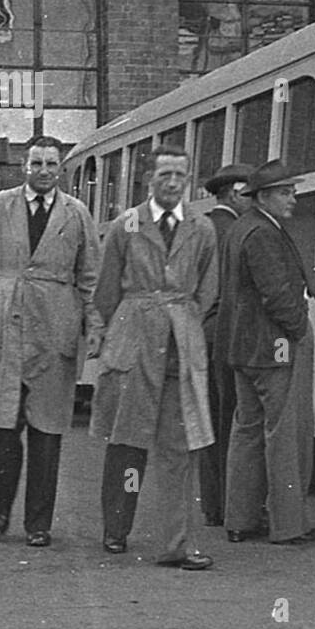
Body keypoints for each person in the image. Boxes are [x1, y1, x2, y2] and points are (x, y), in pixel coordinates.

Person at [0, 135, 102, 547]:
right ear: (24, 166)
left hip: (56, 327)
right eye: (37, 163)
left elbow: (90, 276)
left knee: (47, 431)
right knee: (0, 428)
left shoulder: (77, 214)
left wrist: (94, 325)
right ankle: (1, 505)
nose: (45, 171)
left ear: (60, 170)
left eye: (52, 164)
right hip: (7, 328)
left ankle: (38, 524)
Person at [93, 144, 219, 570]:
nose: (171, 183)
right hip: (135, 344)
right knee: (127, 442)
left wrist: (182, 321)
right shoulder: (125, 226)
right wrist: (128, 328)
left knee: (180, 448)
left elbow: (208, 291)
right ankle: (116, 528)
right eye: (164, 174)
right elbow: (106, 291)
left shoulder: (202, 228)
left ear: (188, 180)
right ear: (149, 179)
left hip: (180, 350)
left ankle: (176, 545)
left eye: (179, 176)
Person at [217, 159, 315, 545]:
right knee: (284, 434)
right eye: (284, 192)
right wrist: (298, 330)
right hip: (275, 345)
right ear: (263, 196)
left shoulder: (241, 228)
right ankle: (288, 525)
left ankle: (240, 521)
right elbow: (277, 294)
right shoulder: (264, 232)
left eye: (292, 190)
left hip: (244, 347)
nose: (292, 198)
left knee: (247, 431)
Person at [197, 162, 253, 526]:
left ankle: (212, 505)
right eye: (250, 193)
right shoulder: (236, 231)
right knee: (233, 420)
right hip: (228, 333)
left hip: (204, 332)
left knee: (210, 423)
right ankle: (232, 506)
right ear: (233, 192)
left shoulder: (204, 227)